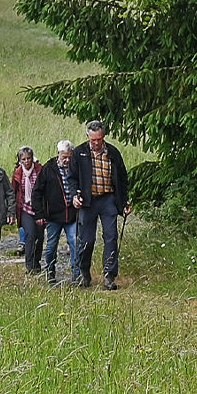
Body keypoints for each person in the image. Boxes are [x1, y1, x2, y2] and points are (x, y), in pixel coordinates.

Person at [71, 120, 130, 290]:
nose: (96, 143)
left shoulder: (112, 153)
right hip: (88, 201)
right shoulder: (79, 152)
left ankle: (109, 276)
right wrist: (75, 196)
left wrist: (125, 200)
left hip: (108, 199)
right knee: (87, 240)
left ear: (103, 136)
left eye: (99, 139)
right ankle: (84, 273)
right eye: (93, 140)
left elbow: (122, 178)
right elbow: (72, 178)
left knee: (111, 237)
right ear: (88, 137)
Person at [33, 140, 80, 286]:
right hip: (53, 215)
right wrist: (39, 214)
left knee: (75, 242)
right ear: (58, 154)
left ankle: (77, 275)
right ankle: (50, 272)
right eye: (64, 156)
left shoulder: (76, 168)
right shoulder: (48, 169)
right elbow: (37, 192)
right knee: (51, 245)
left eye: (69, 157)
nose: (66, 160)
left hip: (72, 214)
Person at [11, 145, 44, 274]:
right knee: (30, 234)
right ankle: (29, 265)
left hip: (39, 208)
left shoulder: (40, 170)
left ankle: (37, 262)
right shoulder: (18, 173)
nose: (26, 161)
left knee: (40, 236)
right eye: (23, 159)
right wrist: (12, 211)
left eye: (28, 158)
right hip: (25, 208)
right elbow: (13, 191)